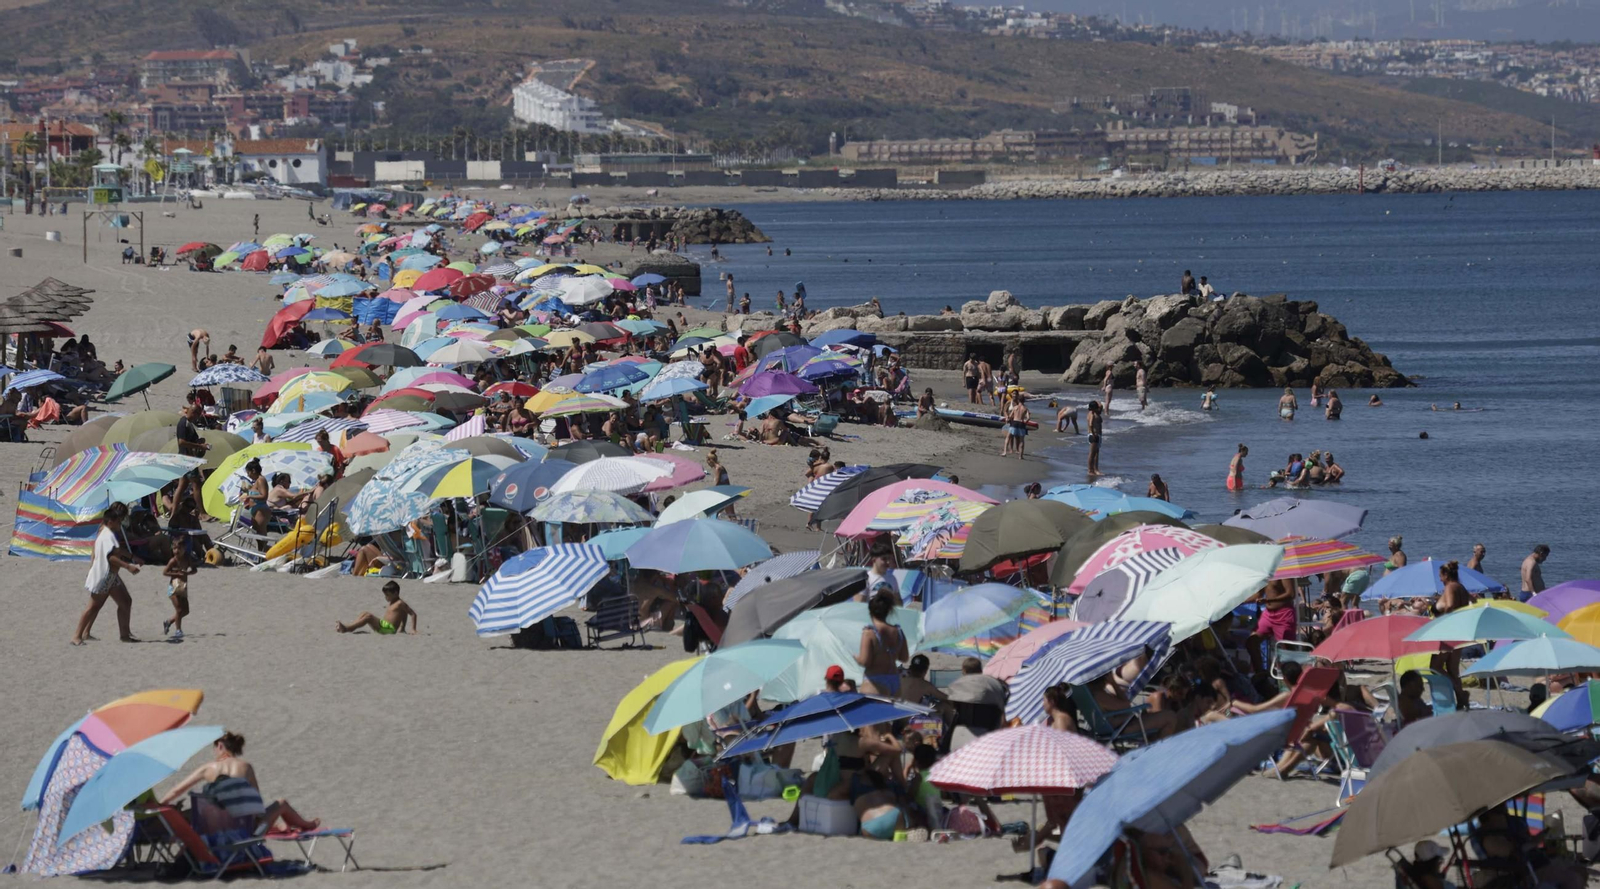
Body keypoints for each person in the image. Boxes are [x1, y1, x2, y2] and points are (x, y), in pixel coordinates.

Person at [158, 731, 320, 834]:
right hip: (243, 830)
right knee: (281, 803)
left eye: (215, 749)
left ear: (220, 746)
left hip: (212, 830)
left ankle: (287, 826)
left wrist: (160, 804)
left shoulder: (207, 768)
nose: (215, 753)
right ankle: (306, 825)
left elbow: (176, 791)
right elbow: (256, 805)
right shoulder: (246, 767)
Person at [73, 502, 139, 645]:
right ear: (112, 520)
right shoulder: (106, 533)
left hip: (112, 576)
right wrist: (128, 566)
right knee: (93, 606)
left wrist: (132, 556)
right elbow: (110, 556)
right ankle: (77, 636)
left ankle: (125, 635)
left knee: (125, 601)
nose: (121, 522)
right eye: (120, 520)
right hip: (104, 575)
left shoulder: (111, 532)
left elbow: (116, 550)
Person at [856, 590, 908, 696]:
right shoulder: (898, 631)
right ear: (888, 611)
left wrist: (854, 657)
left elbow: (866, 661)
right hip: (894, 680)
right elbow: (904, 657)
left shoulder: (869, 633)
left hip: (875, 680)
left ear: (870, 611)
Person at [336, 580, 417, 634]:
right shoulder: (395, 602)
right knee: (365, 613)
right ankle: (350, 627)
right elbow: (403, 613)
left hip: (389, 629)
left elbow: (412, 614)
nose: (386, 598)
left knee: (369, 617)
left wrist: (413, 629)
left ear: (396, 593)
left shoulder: (400, 603)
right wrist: (402, 628)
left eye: (388, 595)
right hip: (384, 626)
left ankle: (347, 629)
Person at [163, 543, 196, 639]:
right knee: (179, 609)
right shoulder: (173, 561)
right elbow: (165, 572)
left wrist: (188, 573)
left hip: (183, 587)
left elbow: (195, 570)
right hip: (173, 588)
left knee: (185, 611)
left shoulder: (187, 559)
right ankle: (178, 630)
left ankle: (168, 622)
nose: (176, 551)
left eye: (179, 548)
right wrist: (176, 573)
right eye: (174, 549)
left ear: (184, 549)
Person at [1086, 400, 1104, 476]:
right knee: (1092, 454)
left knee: (1096, 454)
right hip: (1093, 435)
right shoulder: (1092, 414)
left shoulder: (1096, 412)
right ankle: (1090, 470)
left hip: (1097, 435)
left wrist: (1096, 401)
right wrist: (1093, 434)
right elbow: (1090, 425)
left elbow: (1101, 406)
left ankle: (1095, 469)